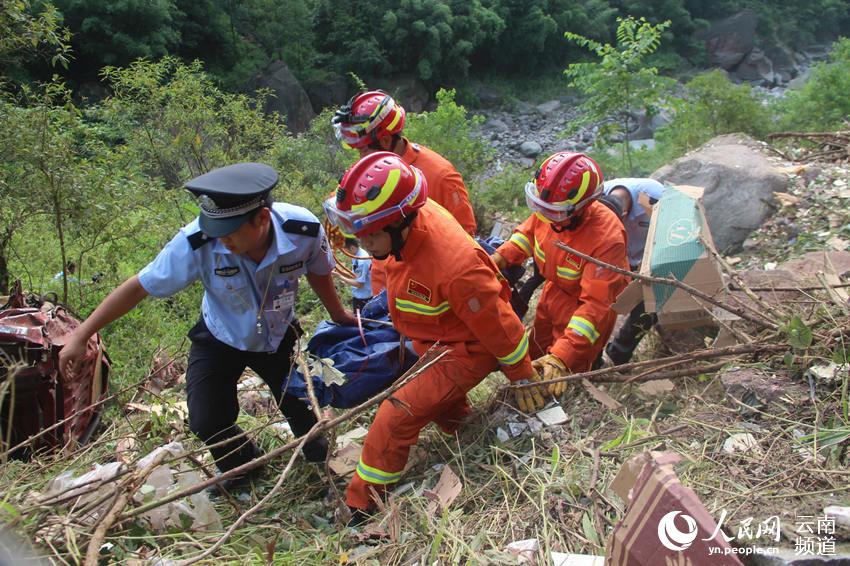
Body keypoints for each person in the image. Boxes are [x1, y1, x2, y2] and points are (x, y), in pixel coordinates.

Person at [59, 163, 355, 493]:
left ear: (260, 220)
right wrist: (81, 335)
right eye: (216, 231)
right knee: (207, 419)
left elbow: (317, 270)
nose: (222, 240)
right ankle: (241, 466)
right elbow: (139, 286)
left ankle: (319, 468)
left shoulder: (302, 230)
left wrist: (338, 313)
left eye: (229, 232)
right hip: (220, 335)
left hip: (276, 333)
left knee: (302, 407)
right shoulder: (198, 242)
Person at [323, 152, 553, 524]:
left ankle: (361, 505)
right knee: (438, 402)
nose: (362, 242)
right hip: (432, 337)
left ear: (397, 224)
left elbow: (499, 324)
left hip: (465, 350)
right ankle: (464, 430)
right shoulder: (405, 227)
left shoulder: (456, 265)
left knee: (395, 415)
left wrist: (521, 374)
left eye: (368, 234)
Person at [491, 152, 629, 389]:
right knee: (533, 353)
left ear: (582, 206)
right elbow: (528, 234)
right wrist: (501, 257)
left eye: (551, 211)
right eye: (539, 207)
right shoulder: (551, 209)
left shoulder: (607, 239)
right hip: (551, 295)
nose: (544, 215)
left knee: (561, 378)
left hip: (583, 313)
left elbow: (596, 307)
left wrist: (562, 356)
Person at [332, 90, 478, 295]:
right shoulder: (370, 172)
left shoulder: (440, 175)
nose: (360, 158)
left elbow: (465, 237)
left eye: (363, 150)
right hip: (384, 279)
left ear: (384, 142)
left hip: (428, 286)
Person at [598, 178, 666, 365]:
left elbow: (671, 234)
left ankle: (617, 356)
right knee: (596, 301)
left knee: (651, 303)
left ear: (625, 214)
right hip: (614, 260)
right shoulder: (598, 196)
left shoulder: (655, 196)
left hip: (649, 260)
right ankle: (593, 356)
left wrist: (650, 266)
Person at [333, 238, 372, 312]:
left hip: (364, 300)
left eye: (345, 250)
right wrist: (340, 273)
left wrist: (340, 277)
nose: (345, 253)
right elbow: (355, 276)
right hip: (359, 297)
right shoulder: (356, 255)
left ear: (352, 248)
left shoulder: (362, 260)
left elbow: (359, 284)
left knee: (363, 322)